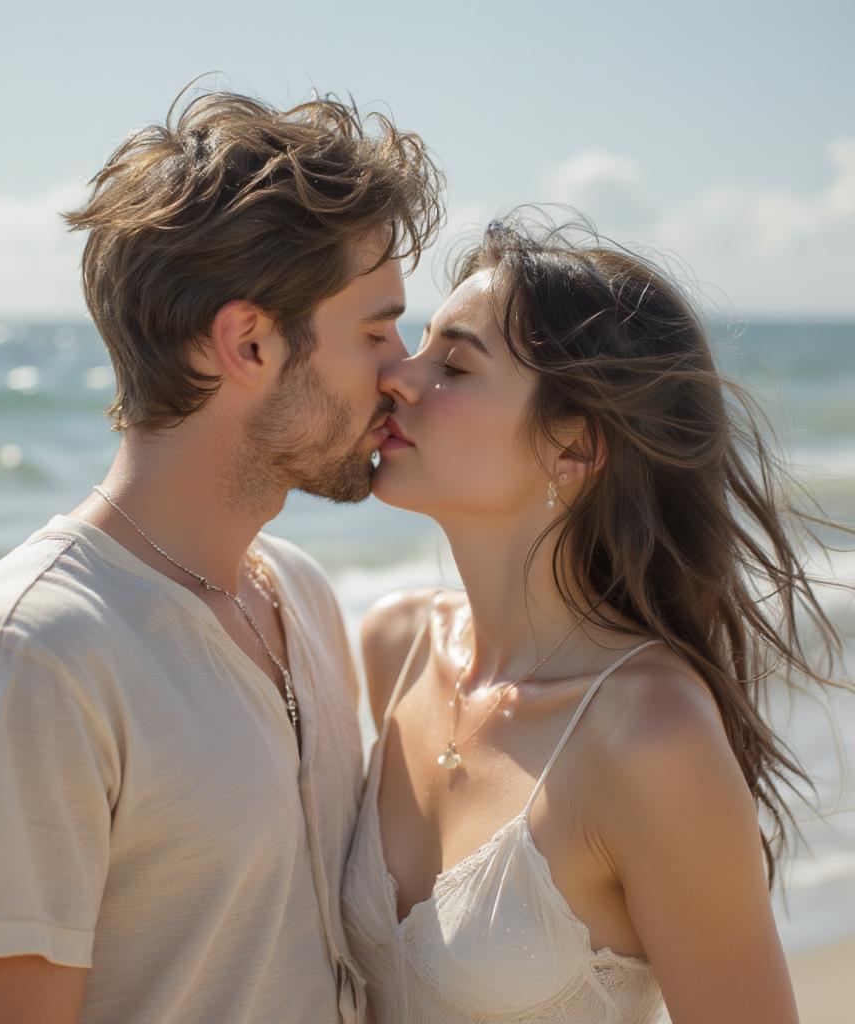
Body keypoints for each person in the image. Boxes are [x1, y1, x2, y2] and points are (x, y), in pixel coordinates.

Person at [0, 88, 443, 1024]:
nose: (404, 370)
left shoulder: (297, 591)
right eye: (376, 331)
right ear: (248, 342)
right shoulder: (24, 663)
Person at [342, 211, 846, 1023]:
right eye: (418, 343)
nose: (399, 374)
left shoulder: (649, 732)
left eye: (455, 365)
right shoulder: (394, 645)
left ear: (572, 445)